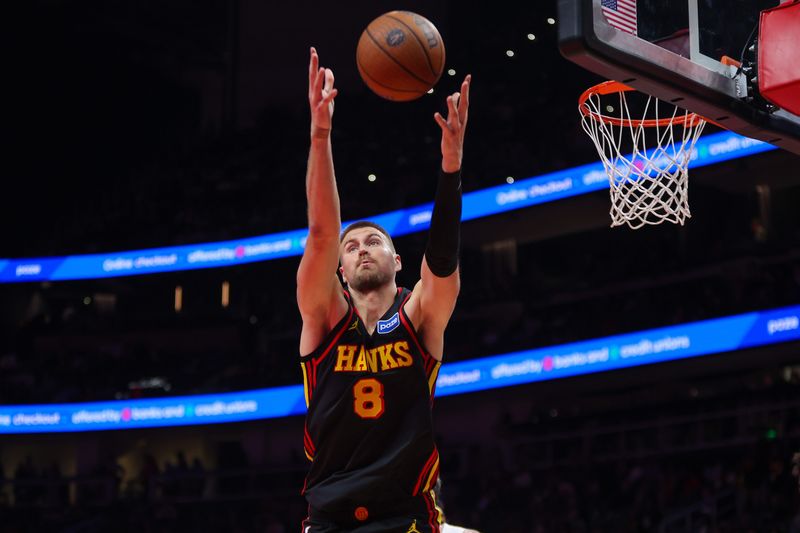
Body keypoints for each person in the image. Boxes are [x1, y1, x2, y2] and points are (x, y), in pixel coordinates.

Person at [297, 47, 471, 533]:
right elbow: (321, 233)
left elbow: (441, 264)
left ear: (398, 262)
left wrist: (451, 168)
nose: (362, 249)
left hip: (404, 513)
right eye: (352, 247)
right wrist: (320, 133)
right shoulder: (325, 317)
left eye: (374, 241)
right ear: (340, 268)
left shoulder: (418, 316)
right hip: (331, 512)